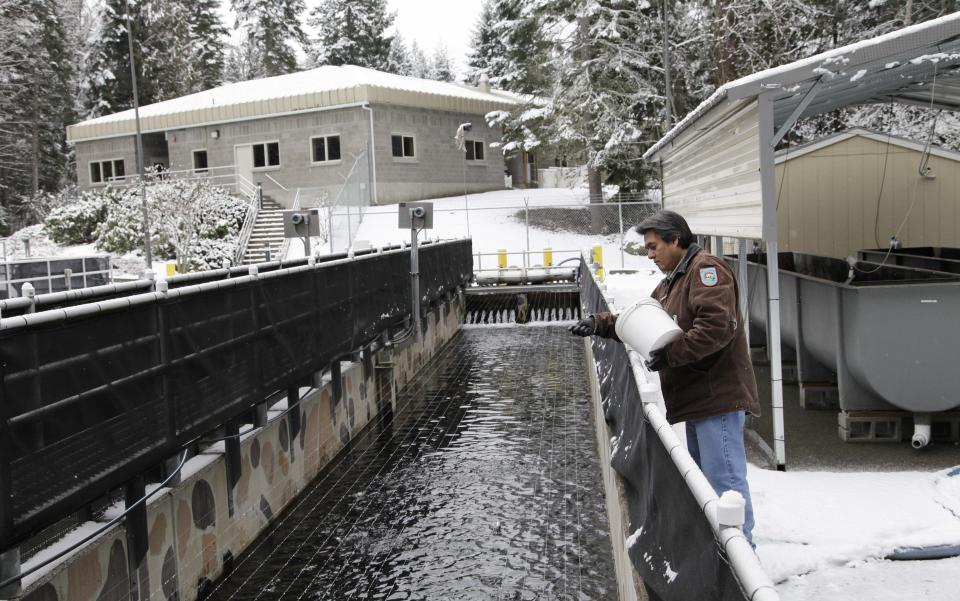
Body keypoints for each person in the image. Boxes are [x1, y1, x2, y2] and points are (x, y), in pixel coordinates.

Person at [570, 210, 761, 545]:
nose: (650, 254)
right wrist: (599, 323)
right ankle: (724, 557)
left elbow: (716, 328)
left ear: (676, 239)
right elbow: (640, 317)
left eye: (654, 246)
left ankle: (745, 563)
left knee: (726, 487)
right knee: (707, 488)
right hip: (699, 402)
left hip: (717, 399)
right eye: (647, 249)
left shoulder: (705, 271)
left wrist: (670, 355)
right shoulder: (674, 280)